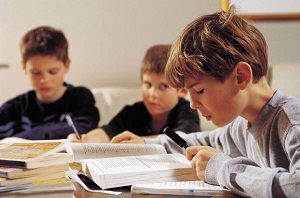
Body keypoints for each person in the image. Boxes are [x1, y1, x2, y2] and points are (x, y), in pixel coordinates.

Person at [109, 6, 300, 198]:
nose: (192, 104)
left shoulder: (292, 119)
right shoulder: (242, 126)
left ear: (240, 77)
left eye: (199, 90)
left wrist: (223, 169)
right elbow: (199, 141)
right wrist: (146, 144)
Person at [68, 44, 200, 143]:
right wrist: (85, 140)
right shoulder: (135, 111)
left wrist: (140, 142)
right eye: (148, 85)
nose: (152, 94)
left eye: (164, 86)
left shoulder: (187, 110)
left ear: (182, 90)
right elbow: (107, 132)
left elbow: (184, 139)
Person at [0, 26, 100, 140]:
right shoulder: (12, 108)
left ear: (67, 65)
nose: (44, 80)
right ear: (24, 67)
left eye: (53, 72)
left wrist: (21, 138)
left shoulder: (80, 97)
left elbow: (85, 129)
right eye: (36, 73)